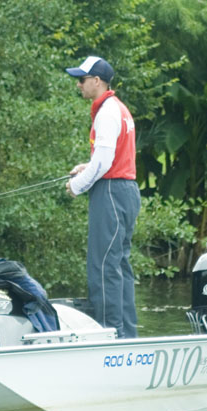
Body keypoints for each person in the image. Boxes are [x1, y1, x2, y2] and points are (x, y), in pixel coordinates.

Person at [64, 56, 141, 338]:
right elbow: (108, 157)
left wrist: (78, 185)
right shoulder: (118, 108)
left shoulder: (107, 112)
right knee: (119, 265)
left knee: (103, 266)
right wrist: (88, 166)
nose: (78, 85)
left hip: (110, 193)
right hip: (125, 192)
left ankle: (112, 335)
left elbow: (104, 163)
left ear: (97, 81)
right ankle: (127, 334)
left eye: (82, 80)